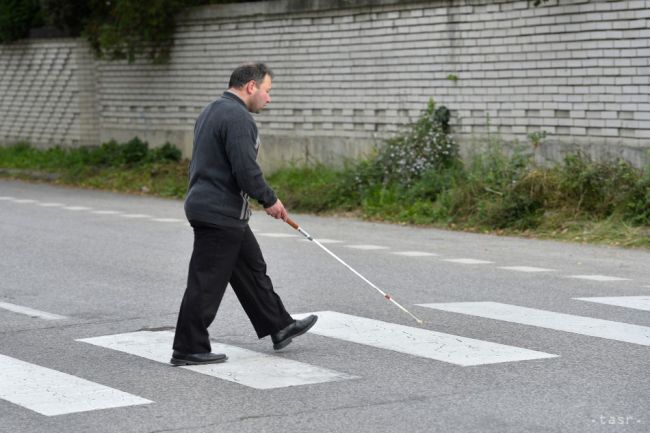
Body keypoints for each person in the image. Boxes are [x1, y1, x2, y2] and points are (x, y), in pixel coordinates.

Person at [170, 63, 317, 366]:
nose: (268, 98)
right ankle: (188, 347)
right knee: (206, 282)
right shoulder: (238, 118)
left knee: (252, 268)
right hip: (218, 212)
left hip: (217, 209)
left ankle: (279, 324)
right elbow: (245, 170)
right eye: (267, 91)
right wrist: (270, 200)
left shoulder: (212, 110)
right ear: (251, 87)